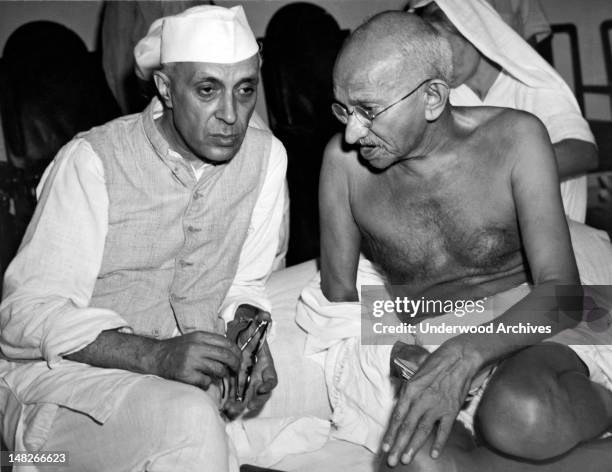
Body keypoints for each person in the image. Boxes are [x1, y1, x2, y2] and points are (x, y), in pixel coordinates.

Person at [297, 10, 612, 472]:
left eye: (368, 110)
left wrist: (464, 355)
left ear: (431, 98)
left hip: (533, 320)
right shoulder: (342, 165)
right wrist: (402, 351)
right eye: (343, 109)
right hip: (425, 331)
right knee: (413, 460)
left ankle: (599, 401)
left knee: (519, 414)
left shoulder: (516, 138)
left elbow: (562, 295)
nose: (351, 131)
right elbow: (341, 298)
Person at [0, 5, 287, 471]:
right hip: (67, 378)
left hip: (187, 363)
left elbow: (248, 282)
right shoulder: (92, 161)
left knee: (362, 313)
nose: (231, 116)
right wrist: (155, 355)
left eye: (245, 90)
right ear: (166, 89)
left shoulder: (267, 156)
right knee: (190, 419)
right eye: (208, 90)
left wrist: (248, 335)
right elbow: (22, 318)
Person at [406, 0, 598, 223]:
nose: (438, 66)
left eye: (444, 49)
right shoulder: (447, 95)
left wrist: (495, 172)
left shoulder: (531, 86)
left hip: (555, 230)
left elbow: (584, 153)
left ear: (473, 34)